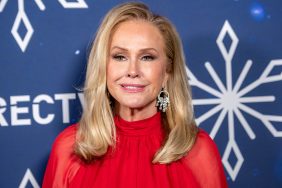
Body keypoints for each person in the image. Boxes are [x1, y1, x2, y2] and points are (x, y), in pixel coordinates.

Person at [42, 2, 228, 188]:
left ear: (168, 71)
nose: (132, 71)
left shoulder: (198, 151)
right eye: (119, 56)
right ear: (103, 67)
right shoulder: (69, 148)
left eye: (147, 57)